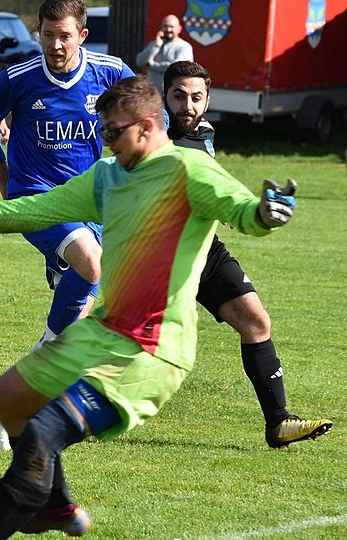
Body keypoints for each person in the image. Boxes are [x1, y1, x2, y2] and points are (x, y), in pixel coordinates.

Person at [0, 75, 300, 539]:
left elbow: (241, 210)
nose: (105, 140)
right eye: (103, 131)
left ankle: (22, 508)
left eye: (113, 132)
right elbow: (40, 208)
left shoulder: (189, 170)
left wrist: (264, 212)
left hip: (150, 351)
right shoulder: (108, 177)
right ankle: (55, 508)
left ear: (147, 126)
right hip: (101, 332)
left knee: (40, 435)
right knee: (7, 399)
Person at [0, 0, 134, 449]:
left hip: (89, 203)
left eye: (64, 36)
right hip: (36, 197)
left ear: (82, 35)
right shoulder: (19, 78)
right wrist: (3, 173)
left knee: (75, 323)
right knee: (91, 265)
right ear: (38, 33)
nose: (55, 44)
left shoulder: (109, 71)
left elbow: (147, 116)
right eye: (47, 35)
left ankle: (22, 398)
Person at [163, 60, 332, 448]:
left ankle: (278, 421)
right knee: (137, 351)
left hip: (203, 250)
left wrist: (255, 209)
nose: (187, 105)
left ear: (208, 100)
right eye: (178, 96)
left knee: (256, 321)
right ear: (164, 96)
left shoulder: (205, 133)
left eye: (196, 97)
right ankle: (50, 410)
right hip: (157, 260)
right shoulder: (152, 139)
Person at [136, 14, 192, 91]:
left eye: (172, 27)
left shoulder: (184, 47)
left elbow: (178, 67)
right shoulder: (155, 44)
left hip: (174, 95)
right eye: (165, 26)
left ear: (179, 29)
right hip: (153, 94)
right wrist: (156, 45)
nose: (168, 29)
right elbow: (139, 61)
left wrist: (152, 65)